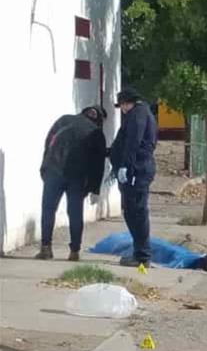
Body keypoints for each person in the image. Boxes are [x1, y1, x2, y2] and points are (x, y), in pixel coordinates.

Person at [35, 106, 108, 261]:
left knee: (48, 210)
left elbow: (49, 142)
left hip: (53, 171)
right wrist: (94, 188)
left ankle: (46, 248)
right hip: (77, 177)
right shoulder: (96, 132)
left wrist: (44, 167)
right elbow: (98, 163)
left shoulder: (64, 120)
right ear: (99, 120)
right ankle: (74, 251)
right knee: (75, 213)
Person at [110, 88, 158, 267]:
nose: (121, 110)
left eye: (121, 105)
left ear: (126, 103)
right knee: (132, 212)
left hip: (136, 170)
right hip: (137, 168)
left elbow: (133, 142)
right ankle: (140, 253)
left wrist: (125, 165)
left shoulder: (137, 114)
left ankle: (142, 256)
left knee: (136, 212)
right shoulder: (142, 113)